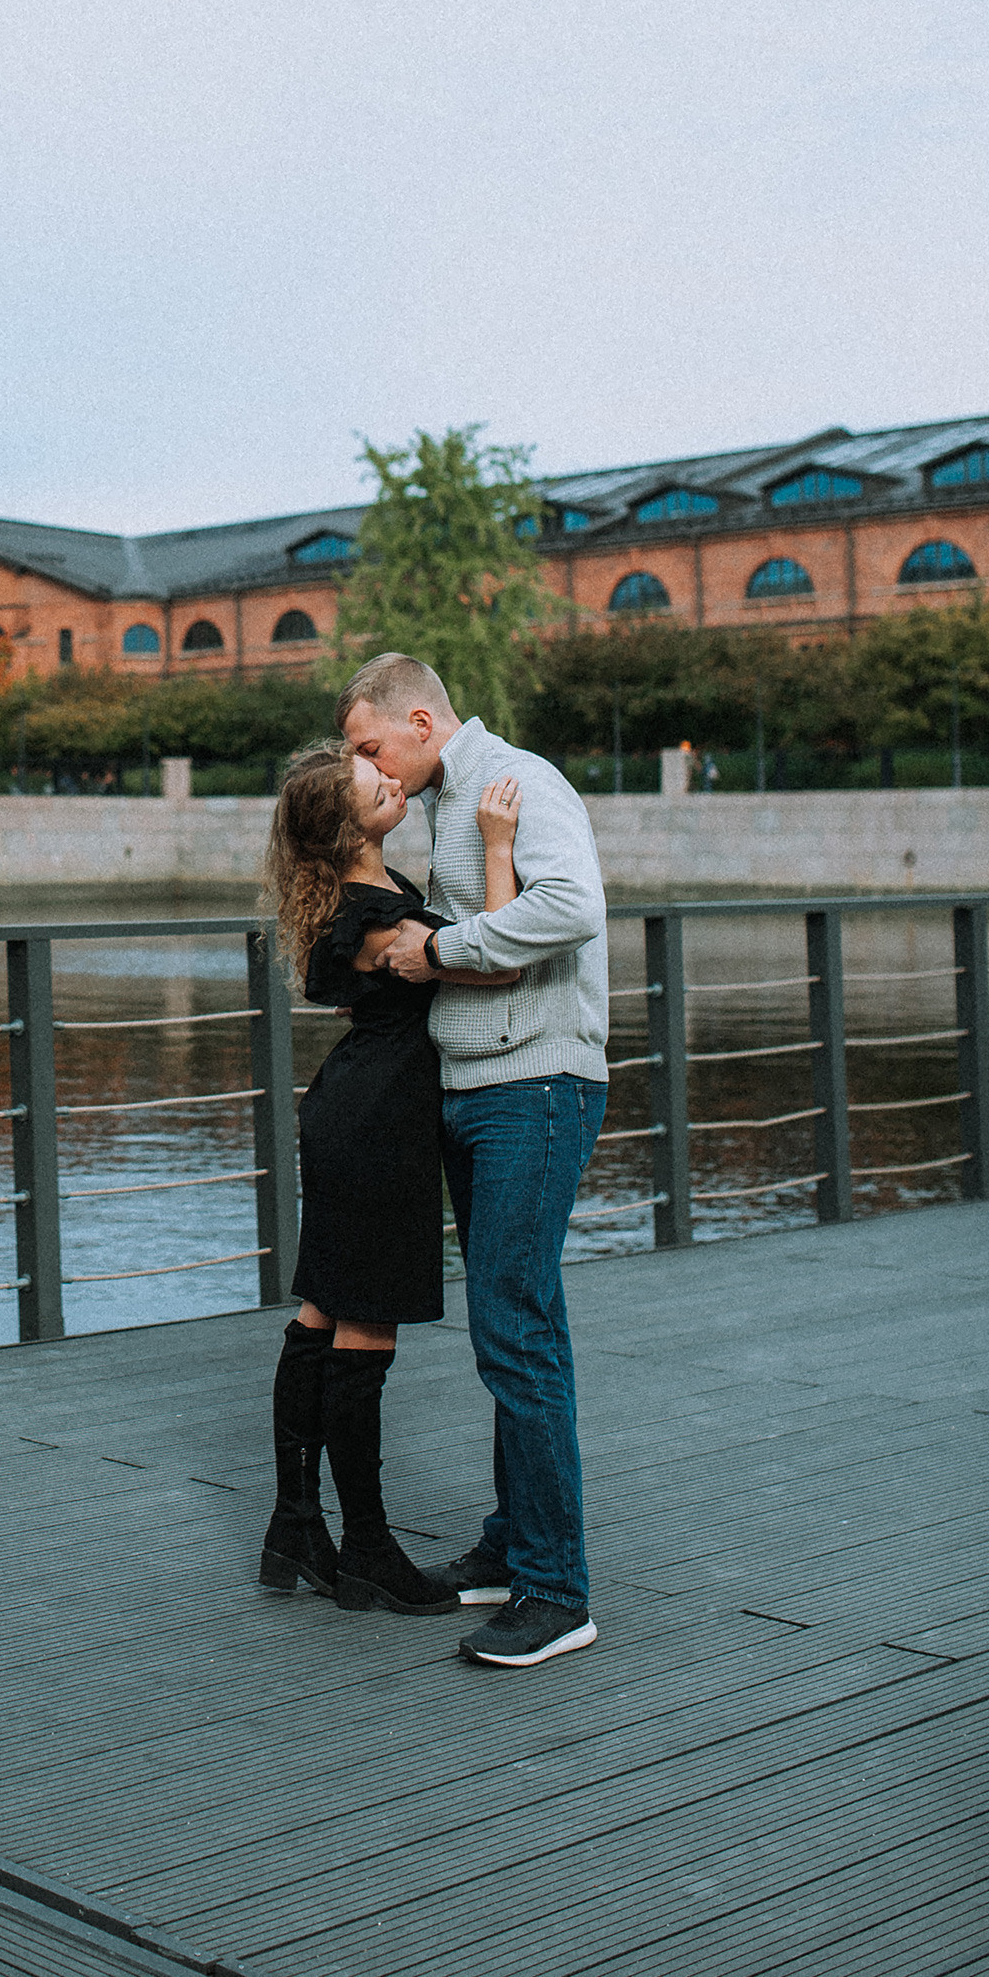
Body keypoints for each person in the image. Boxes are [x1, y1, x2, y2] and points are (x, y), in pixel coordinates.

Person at [337, 653, 610, 1670]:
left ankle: (556, 1590)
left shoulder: (519, 781)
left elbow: (570, 906)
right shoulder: (456, 799)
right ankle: (510, 1549)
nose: (369, 766)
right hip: (482, 1087)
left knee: (515, 1326)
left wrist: (440, 951)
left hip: (533, 1086)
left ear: (418, 718)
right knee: (510, 1321)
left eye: (369, 747)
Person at [259, 740, 524, 1617]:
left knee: (323, 1313)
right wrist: (495, 847)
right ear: (347, 828)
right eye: (370, 783)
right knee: (362, 1327)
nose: (388, 778)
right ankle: (367, 1547)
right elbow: (496, 959)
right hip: (376, 1122)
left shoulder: (358, 898)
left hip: (354, 1108)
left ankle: (297, 1524)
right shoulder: (375, 909)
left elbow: (345, 979)